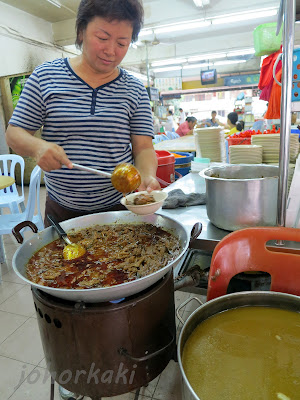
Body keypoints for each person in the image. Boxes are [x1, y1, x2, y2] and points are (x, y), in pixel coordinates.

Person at [6, 0, 160, 229]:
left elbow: (144, 147)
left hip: (119, 208)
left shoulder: (134, 89)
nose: (111, 50)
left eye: (122, 42)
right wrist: (37, 148)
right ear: (81, 31)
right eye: (102, 38)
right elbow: (14, 133)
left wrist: (147, 175)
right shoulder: (45, 77)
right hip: (62, 210)